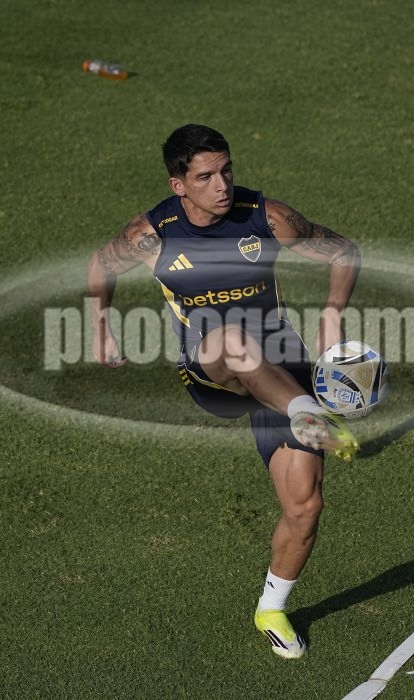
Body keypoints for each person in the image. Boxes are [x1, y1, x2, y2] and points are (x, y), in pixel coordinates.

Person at [87, 124, 361, 659]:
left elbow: (343, 251)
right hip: (211, 368)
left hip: (280, 359)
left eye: (227, 170)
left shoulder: (267, 217)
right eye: (206, 177)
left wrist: (332, 312)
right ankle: (308, 411)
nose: (222, 185)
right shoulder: (154, 234)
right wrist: (100, 323)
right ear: (178, 185)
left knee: (305, 505)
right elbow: (102, 262)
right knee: (231, 337)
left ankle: (271, 609)